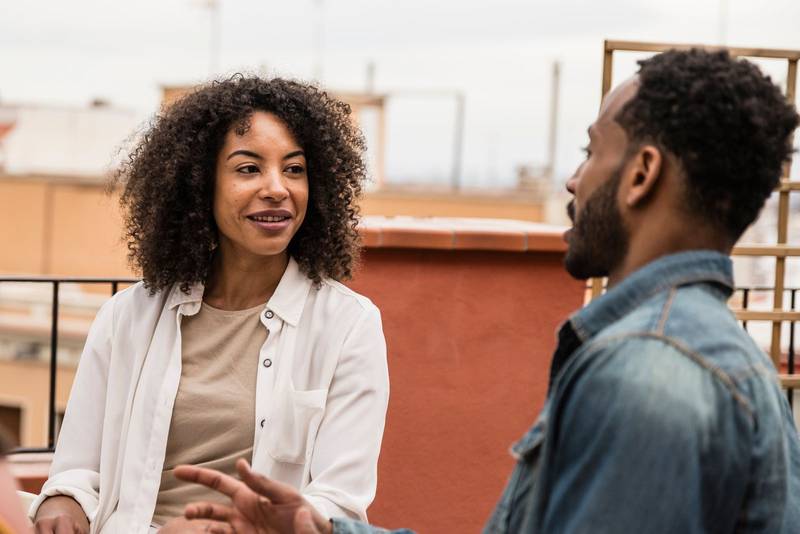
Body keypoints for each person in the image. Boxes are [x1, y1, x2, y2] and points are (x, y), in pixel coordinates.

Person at [174, 48, 800, 533]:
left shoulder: (648, 374)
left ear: (641, 175)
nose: (574, 181)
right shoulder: (709, 355)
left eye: (591, 152)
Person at [29, 76, 390, 533]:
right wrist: (62, 501)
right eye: (248, 169)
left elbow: (340, 502)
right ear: (200, 185)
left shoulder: (349, 326)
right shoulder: (128, 316)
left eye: (294, 169)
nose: (277, 187)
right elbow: (79, 469)